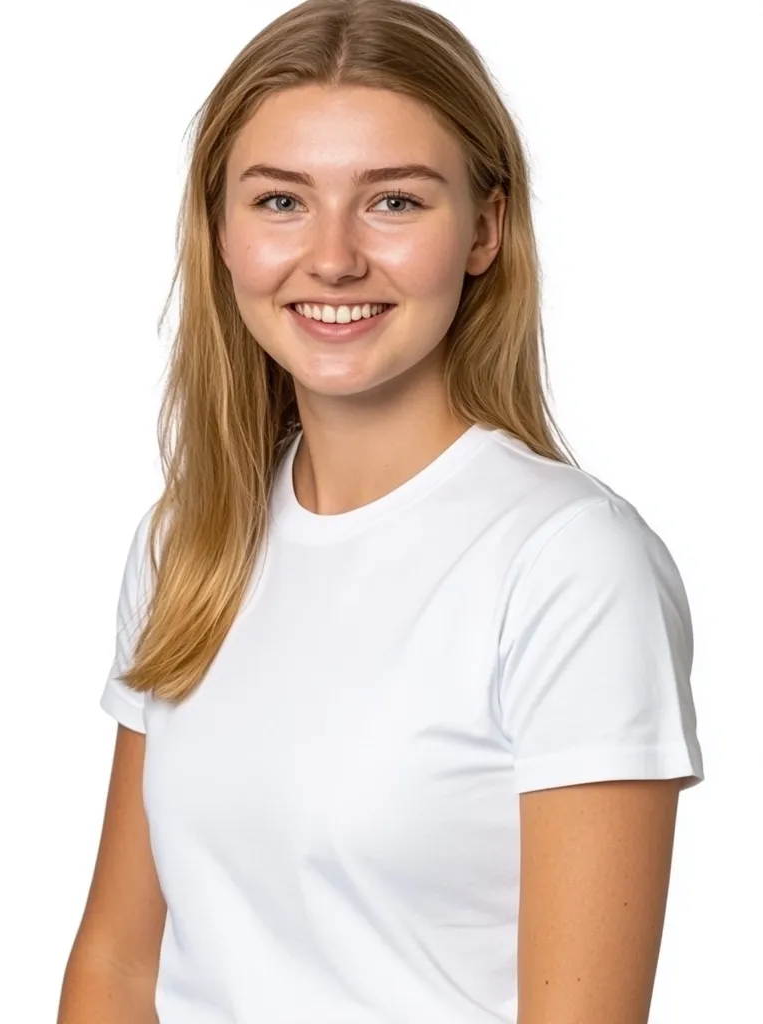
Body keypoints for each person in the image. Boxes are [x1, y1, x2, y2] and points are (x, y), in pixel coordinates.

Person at [57, 1, 705, 1021]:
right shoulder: (191, 540)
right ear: (219, 228)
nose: (332, 257)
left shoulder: (567, 564)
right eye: (280, 201)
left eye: (393, 202)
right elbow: (118, 965)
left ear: (484, 228)